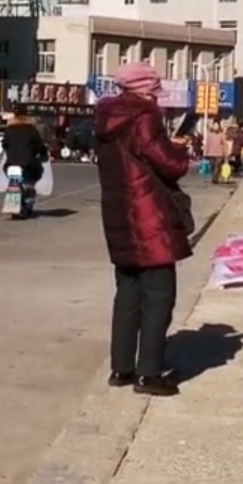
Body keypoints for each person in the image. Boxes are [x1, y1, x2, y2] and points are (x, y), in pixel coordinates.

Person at [95, 62, 193, 397]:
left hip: (119, 214)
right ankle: (148, 373)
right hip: (149, 214)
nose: (156, 97)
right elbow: (167, 163)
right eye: (154, 90)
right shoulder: (144, 116)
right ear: (144, 90)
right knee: (159, 295)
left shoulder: (105, 120)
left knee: (127, 294)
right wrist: (181, 153)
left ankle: (121, 368)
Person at [0, 108, 48, 218]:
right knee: (38, 171)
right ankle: (29, 187)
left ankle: (22, 194)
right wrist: (43, 154)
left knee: (13, 176)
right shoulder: (31, 130)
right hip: (28, 164)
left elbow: (4, 145)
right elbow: (39, 147)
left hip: (10, 165)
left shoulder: (9, 129)